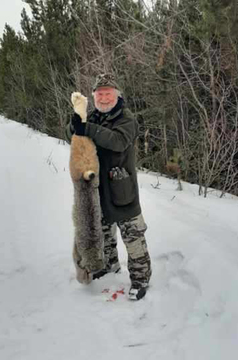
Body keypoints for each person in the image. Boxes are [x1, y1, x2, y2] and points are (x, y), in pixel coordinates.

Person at [65, 73, 152, 300]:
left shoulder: (126, 118)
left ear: (117, 95)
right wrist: (75, 124)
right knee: (104, 235)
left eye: (108, 93)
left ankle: (141, 279)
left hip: (123, 190)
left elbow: (117, 141)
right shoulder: (91, 116)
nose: (104, 98)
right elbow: (73, 136)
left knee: (133, 238)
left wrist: (87, 129)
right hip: (98, 189)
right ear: (94, 97)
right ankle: (108, 268)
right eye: (100, 94)